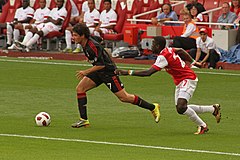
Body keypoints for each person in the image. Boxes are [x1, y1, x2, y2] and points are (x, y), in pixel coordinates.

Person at [117, 36, 221, 135]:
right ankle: (212, 109)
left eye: (153, 44)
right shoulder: (168, 50)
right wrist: (194, 62)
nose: (151, 46)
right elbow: (180, 50)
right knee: (181, 108)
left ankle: (202, 126)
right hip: (180, 80)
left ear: (158, 46)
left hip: (187, 78)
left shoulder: (163, 56)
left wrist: (128, 72)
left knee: (181, 107)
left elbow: (148, 73)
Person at [70, 23, 160, 128]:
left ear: (83, 36)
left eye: (75, 35)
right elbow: (100, 40)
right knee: (80, 88)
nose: (73, 37)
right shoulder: (88, 42)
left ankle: (152, 107)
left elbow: (101, 65)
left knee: (124, 98)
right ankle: (84, 120)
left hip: (108, 73)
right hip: (98, 71)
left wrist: (86, 71)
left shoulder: (92, 46)